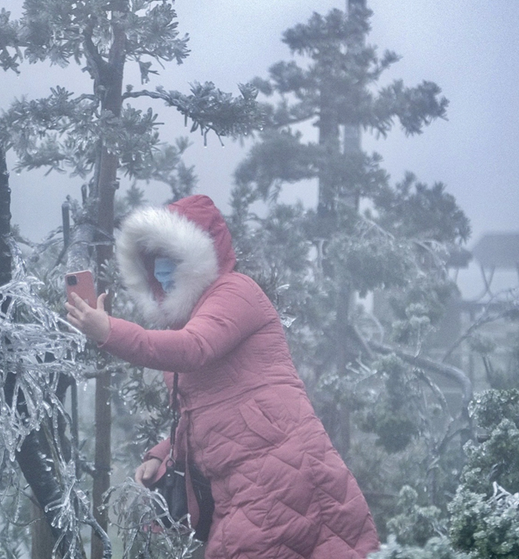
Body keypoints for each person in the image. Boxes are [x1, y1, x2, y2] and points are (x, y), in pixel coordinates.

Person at [66, 194, 380, 559]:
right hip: (247, 483)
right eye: (155, 263)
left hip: (278, 473)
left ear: (199, 255)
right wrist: (164, 457)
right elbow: (201, 414)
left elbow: (192, 348)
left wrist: (109, 332)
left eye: (171, 259)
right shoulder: (193, 317)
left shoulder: (235, 291)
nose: (161, 271)